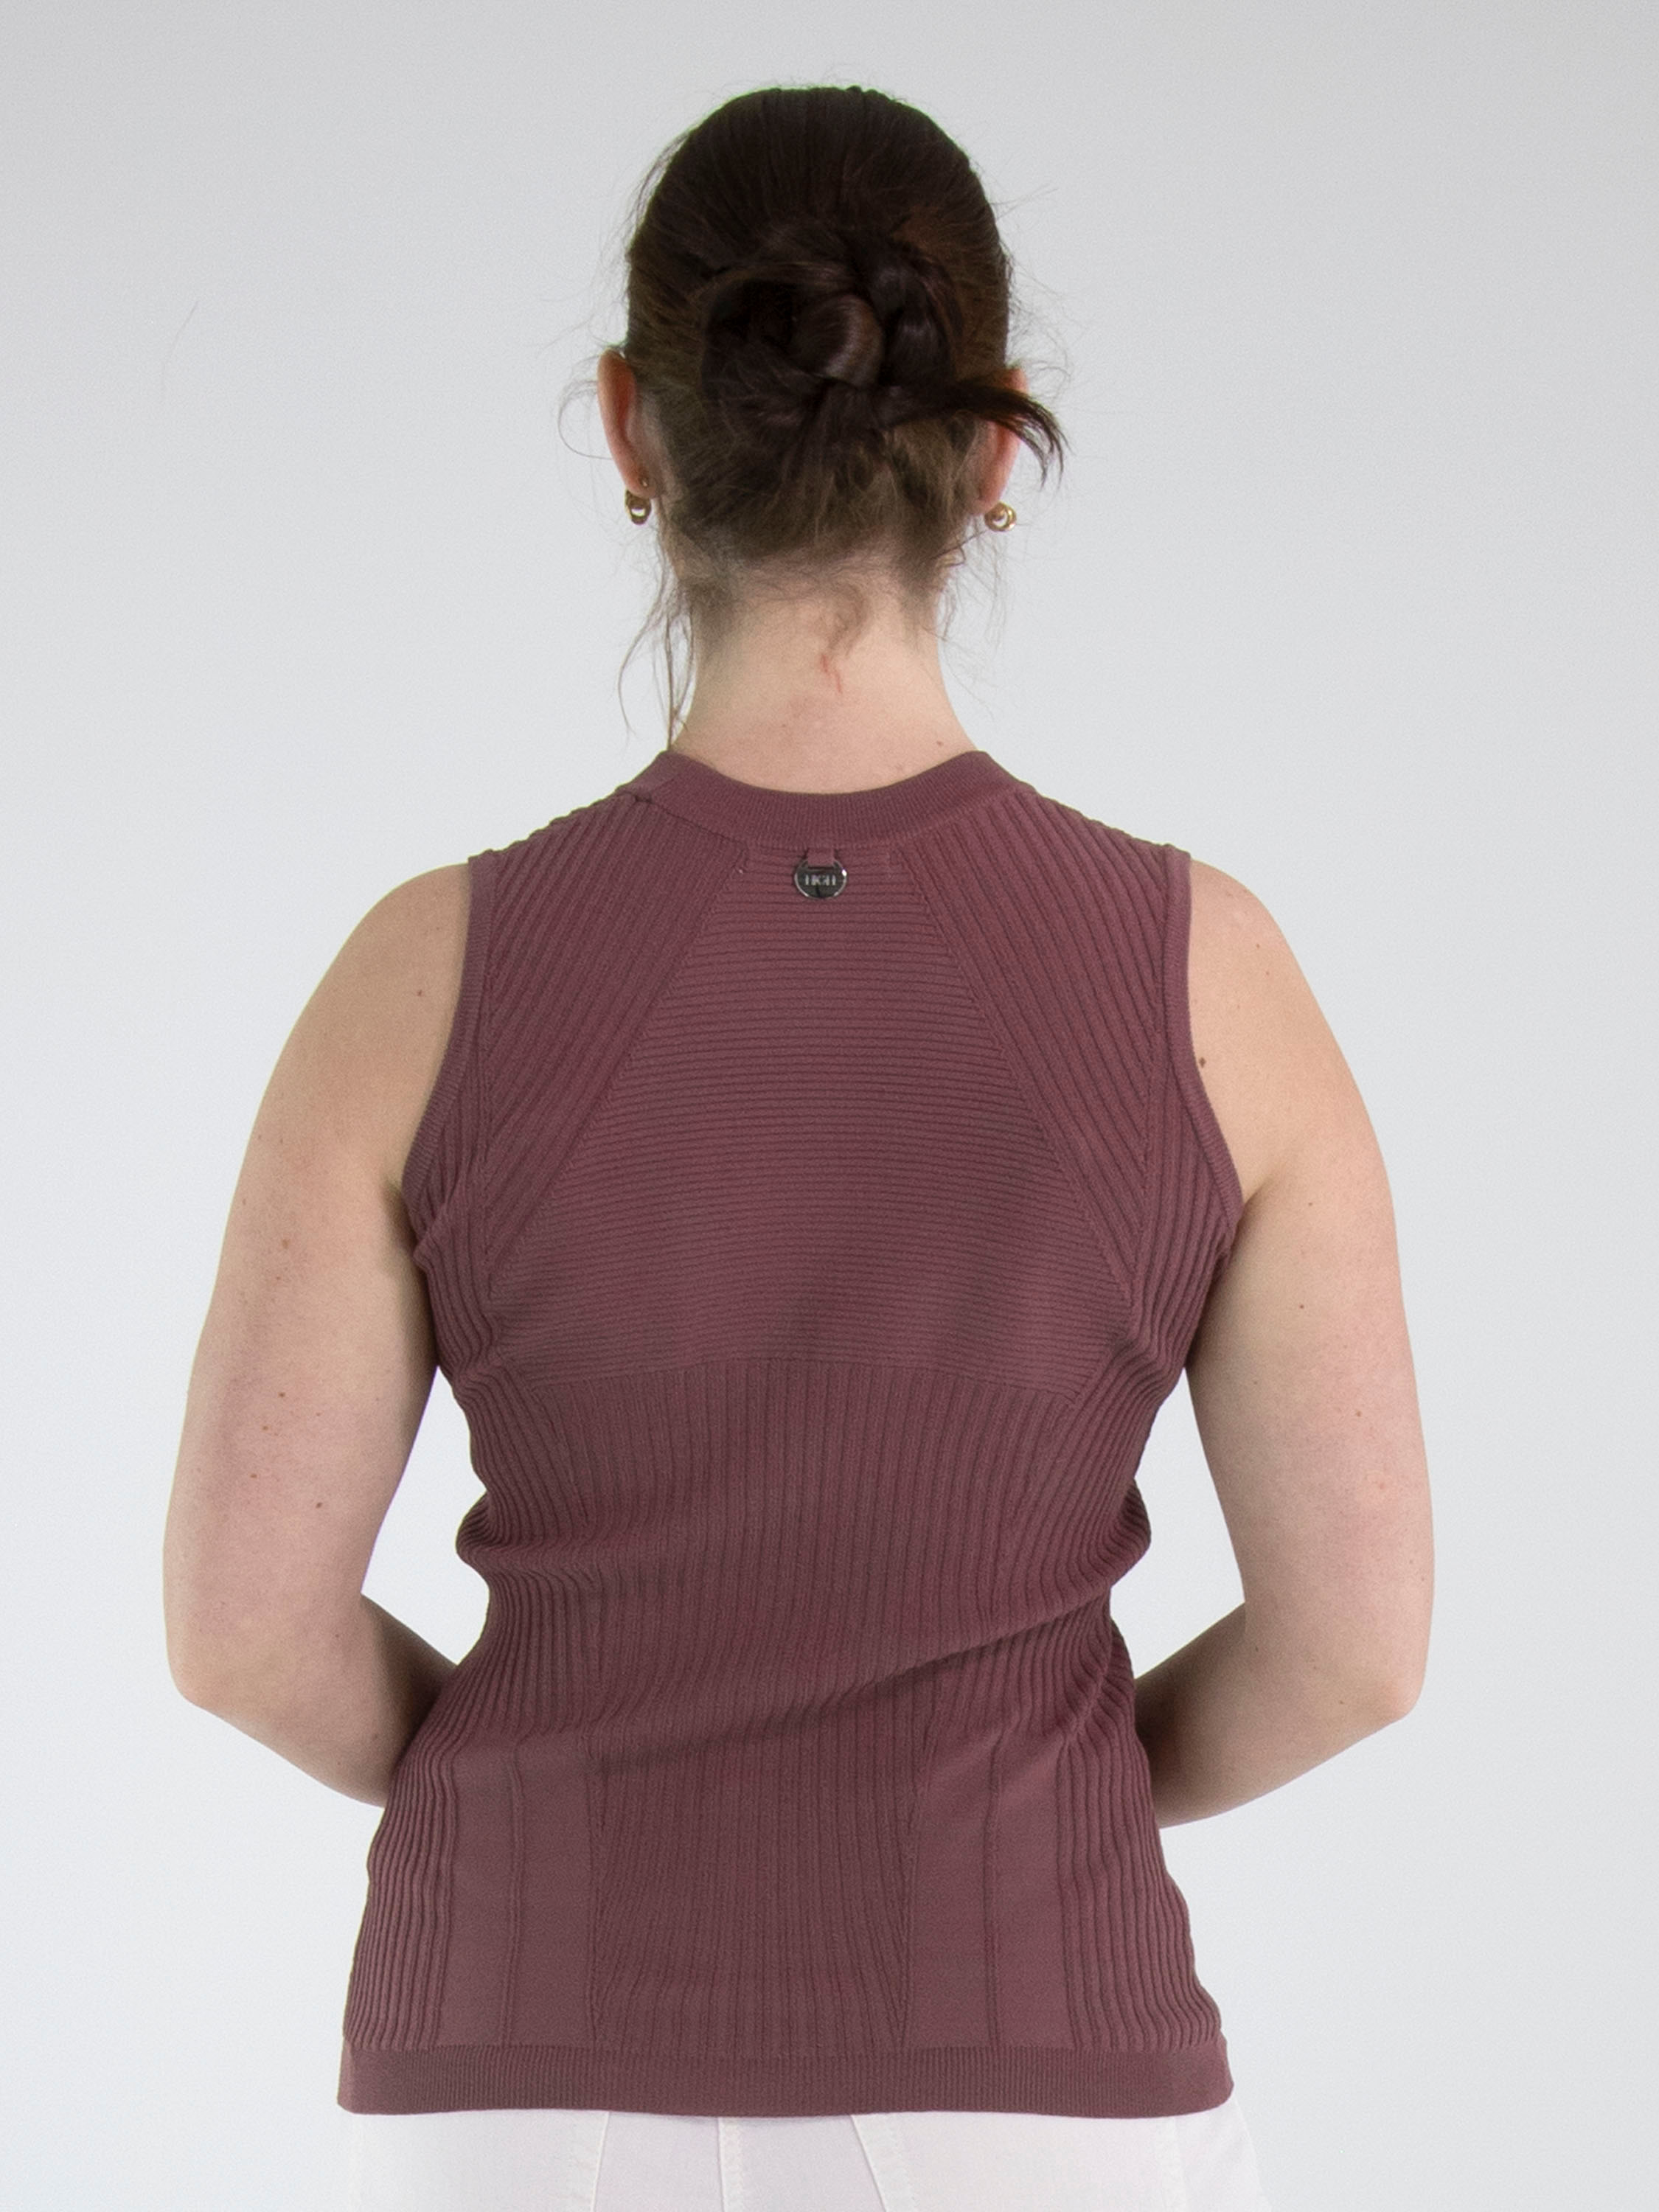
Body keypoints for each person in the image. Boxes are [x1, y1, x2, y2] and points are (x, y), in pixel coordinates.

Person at [162, 83, 1433, 2212]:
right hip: (1031, 2073)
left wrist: (549, 1794)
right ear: (993, 453)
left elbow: (239, 1632)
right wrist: (1019, 1807)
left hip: (517, 2067)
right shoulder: (1207, 977)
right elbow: (1360, 1650)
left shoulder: (423, 974)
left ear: (635, 427)